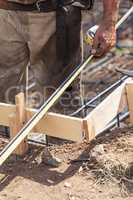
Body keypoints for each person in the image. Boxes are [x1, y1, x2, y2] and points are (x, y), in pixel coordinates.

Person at [0, 0, 120, 166]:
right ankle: (8, 150)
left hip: (55, 14)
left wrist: (109, 21)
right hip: (5, 11)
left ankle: (62, 153)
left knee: (61, 98)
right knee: (3, 90)